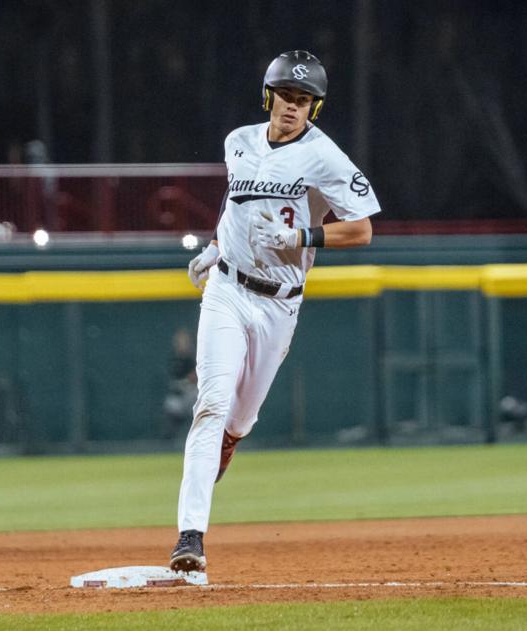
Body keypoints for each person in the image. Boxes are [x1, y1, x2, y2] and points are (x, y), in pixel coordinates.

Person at [169, 50, 381, 573]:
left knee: (238, 421)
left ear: (316, 107)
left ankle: (228, 445)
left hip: (279, 305)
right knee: (211, 405)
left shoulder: (325, 156)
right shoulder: (237, 142)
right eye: (286, 95)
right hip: (226, 291)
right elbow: (234, 204)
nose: (293, 106)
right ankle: (189, 538)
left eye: (304, 99)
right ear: (269, 96)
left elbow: (364, 227)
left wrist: (303, 236)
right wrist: (218, 248)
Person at [161, 328, 198, 440]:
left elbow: (196, 375)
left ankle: (196, 437)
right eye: (178, 341)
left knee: (198, 408)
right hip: (177, 393)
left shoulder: (193, 357)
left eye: (183, 341)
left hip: (191, 392)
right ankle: (169, 442)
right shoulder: (174, 357)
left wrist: (189, 380)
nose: (180, 343)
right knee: (171, 408)